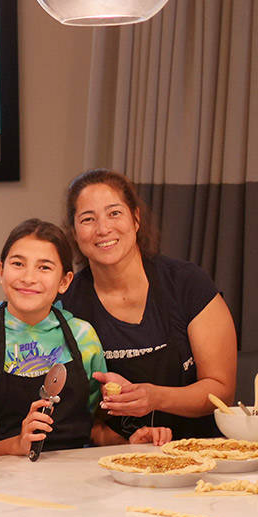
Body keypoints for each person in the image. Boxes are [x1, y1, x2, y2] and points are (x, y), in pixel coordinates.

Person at [0, 219, 166, 458]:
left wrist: (131, 442)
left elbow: (93, 428)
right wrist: (16, 446)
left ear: (65, 281)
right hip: (4, 483)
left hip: (77, 479)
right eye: (18, 264)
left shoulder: (82, 337)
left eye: (44, 267)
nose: (28, 277)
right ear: (1, 271)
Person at [62, 169, 237, 440]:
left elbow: (221, 389)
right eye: (88, 219)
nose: (103, 228)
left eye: (114, 213)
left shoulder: (186, 283)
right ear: (74, 233)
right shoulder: (67, 307)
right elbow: (83, 418)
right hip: (119, 459)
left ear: (136, 219)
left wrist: (154, 397)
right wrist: (126, 444)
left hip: (203, 450)